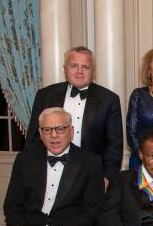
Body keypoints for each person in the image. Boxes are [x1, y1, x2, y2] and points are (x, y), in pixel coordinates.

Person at [26, 46, 123, 184]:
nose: (79, 72)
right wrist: (32, 172)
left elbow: (114, 146)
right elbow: (33, 138)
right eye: (74, 66)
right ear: (65, 68)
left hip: (91, 176)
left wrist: (107, 177)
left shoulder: (109, 100)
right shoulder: (45, 96)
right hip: (49, 172)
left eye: (85, 67)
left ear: (93, 70)